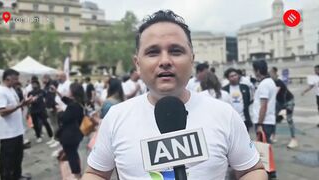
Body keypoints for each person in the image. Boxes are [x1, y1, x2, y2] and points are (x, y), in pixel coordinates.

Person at [82, 10, 267, 180]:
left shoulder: (224, 114)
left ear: (192, 59)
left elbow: (252, 170)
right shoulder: (115, 117)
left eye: (176, 51)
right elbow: (95, 174)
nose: (165, 61)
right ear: (137, 63)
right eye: (153, 52)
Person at [0, 69, 33, 180]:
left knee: (18, 157)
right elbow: (2, 112)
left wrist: (25, 104)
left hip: (17, 131)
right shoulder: (1, 91)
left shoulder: (11, 89)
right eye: (15, 79)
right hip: (8, 134)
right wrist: (19, 105)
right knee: (7, 161)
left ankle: (17, 176)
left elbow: (15, 106)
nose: (17, 81)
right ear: (7, 78)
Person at [51, 82, 85, 179]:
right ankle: (78, 173)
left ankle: (77, 175)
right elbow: (66, 100)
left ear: (73, 92)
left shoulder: (73, 106)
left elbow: (64, 118)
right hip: (76, 134)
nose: (68, 91)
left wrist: (60, 112)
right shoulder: (78, 103)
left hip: (70, 136)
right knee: (74, 154)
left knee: (71, 156)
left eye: (69, 90)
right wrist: (57, 92)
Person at [252, 60, 277, 179]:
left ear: (257, 70)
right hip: (268, 121)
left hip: (264, 121)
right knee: (265, 148)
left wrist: (260, 123)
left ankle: (270, 174)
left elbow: (264, 105)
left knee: (263, 150)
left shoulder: (264, 84)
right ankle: (269, 172)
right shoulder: (269, 82)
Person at [270, 67, 298, 148]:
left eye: (271, 73)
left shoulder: (279, 82)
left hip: (289, 101)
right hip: (280, 102)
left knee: (289, 119)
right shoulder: (271, 82)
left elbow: (274, 93)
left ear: (275, 74)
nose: (270, 75)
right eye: (269, 73)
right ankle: (273, 136)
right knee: (273, 118)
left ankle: (294, 139)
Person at [42, 74, 59, 146]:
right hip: (48, 106)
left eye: (44, 79)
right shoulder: (46, 86)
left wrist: (53, 106)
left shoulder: (51, 85)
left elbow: (52, 96)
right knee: (52, 123)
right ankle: (54, 137)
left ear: (47, 78)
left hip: (52, 107)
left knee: (55, 124)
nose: (43, 80)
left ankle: (57, 139)